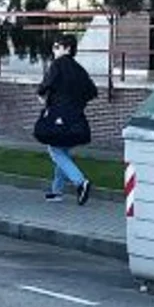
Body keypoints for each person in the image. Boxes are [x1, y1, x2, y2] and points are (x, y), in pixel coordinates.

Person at [33, 33, 98, 205]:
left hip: (59, 116)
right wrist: (78, 103)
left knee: (54, 151)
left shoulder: (58, 64)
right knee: (63, 151)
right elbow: (92, 92)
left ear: (67, 48)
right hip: (75, 118)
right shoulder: (79, 69)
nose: (54, 50)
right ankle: (57, 191)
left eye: (57, 46)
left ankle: (80, 182)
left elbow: (47, 83)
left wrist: (41, 94)